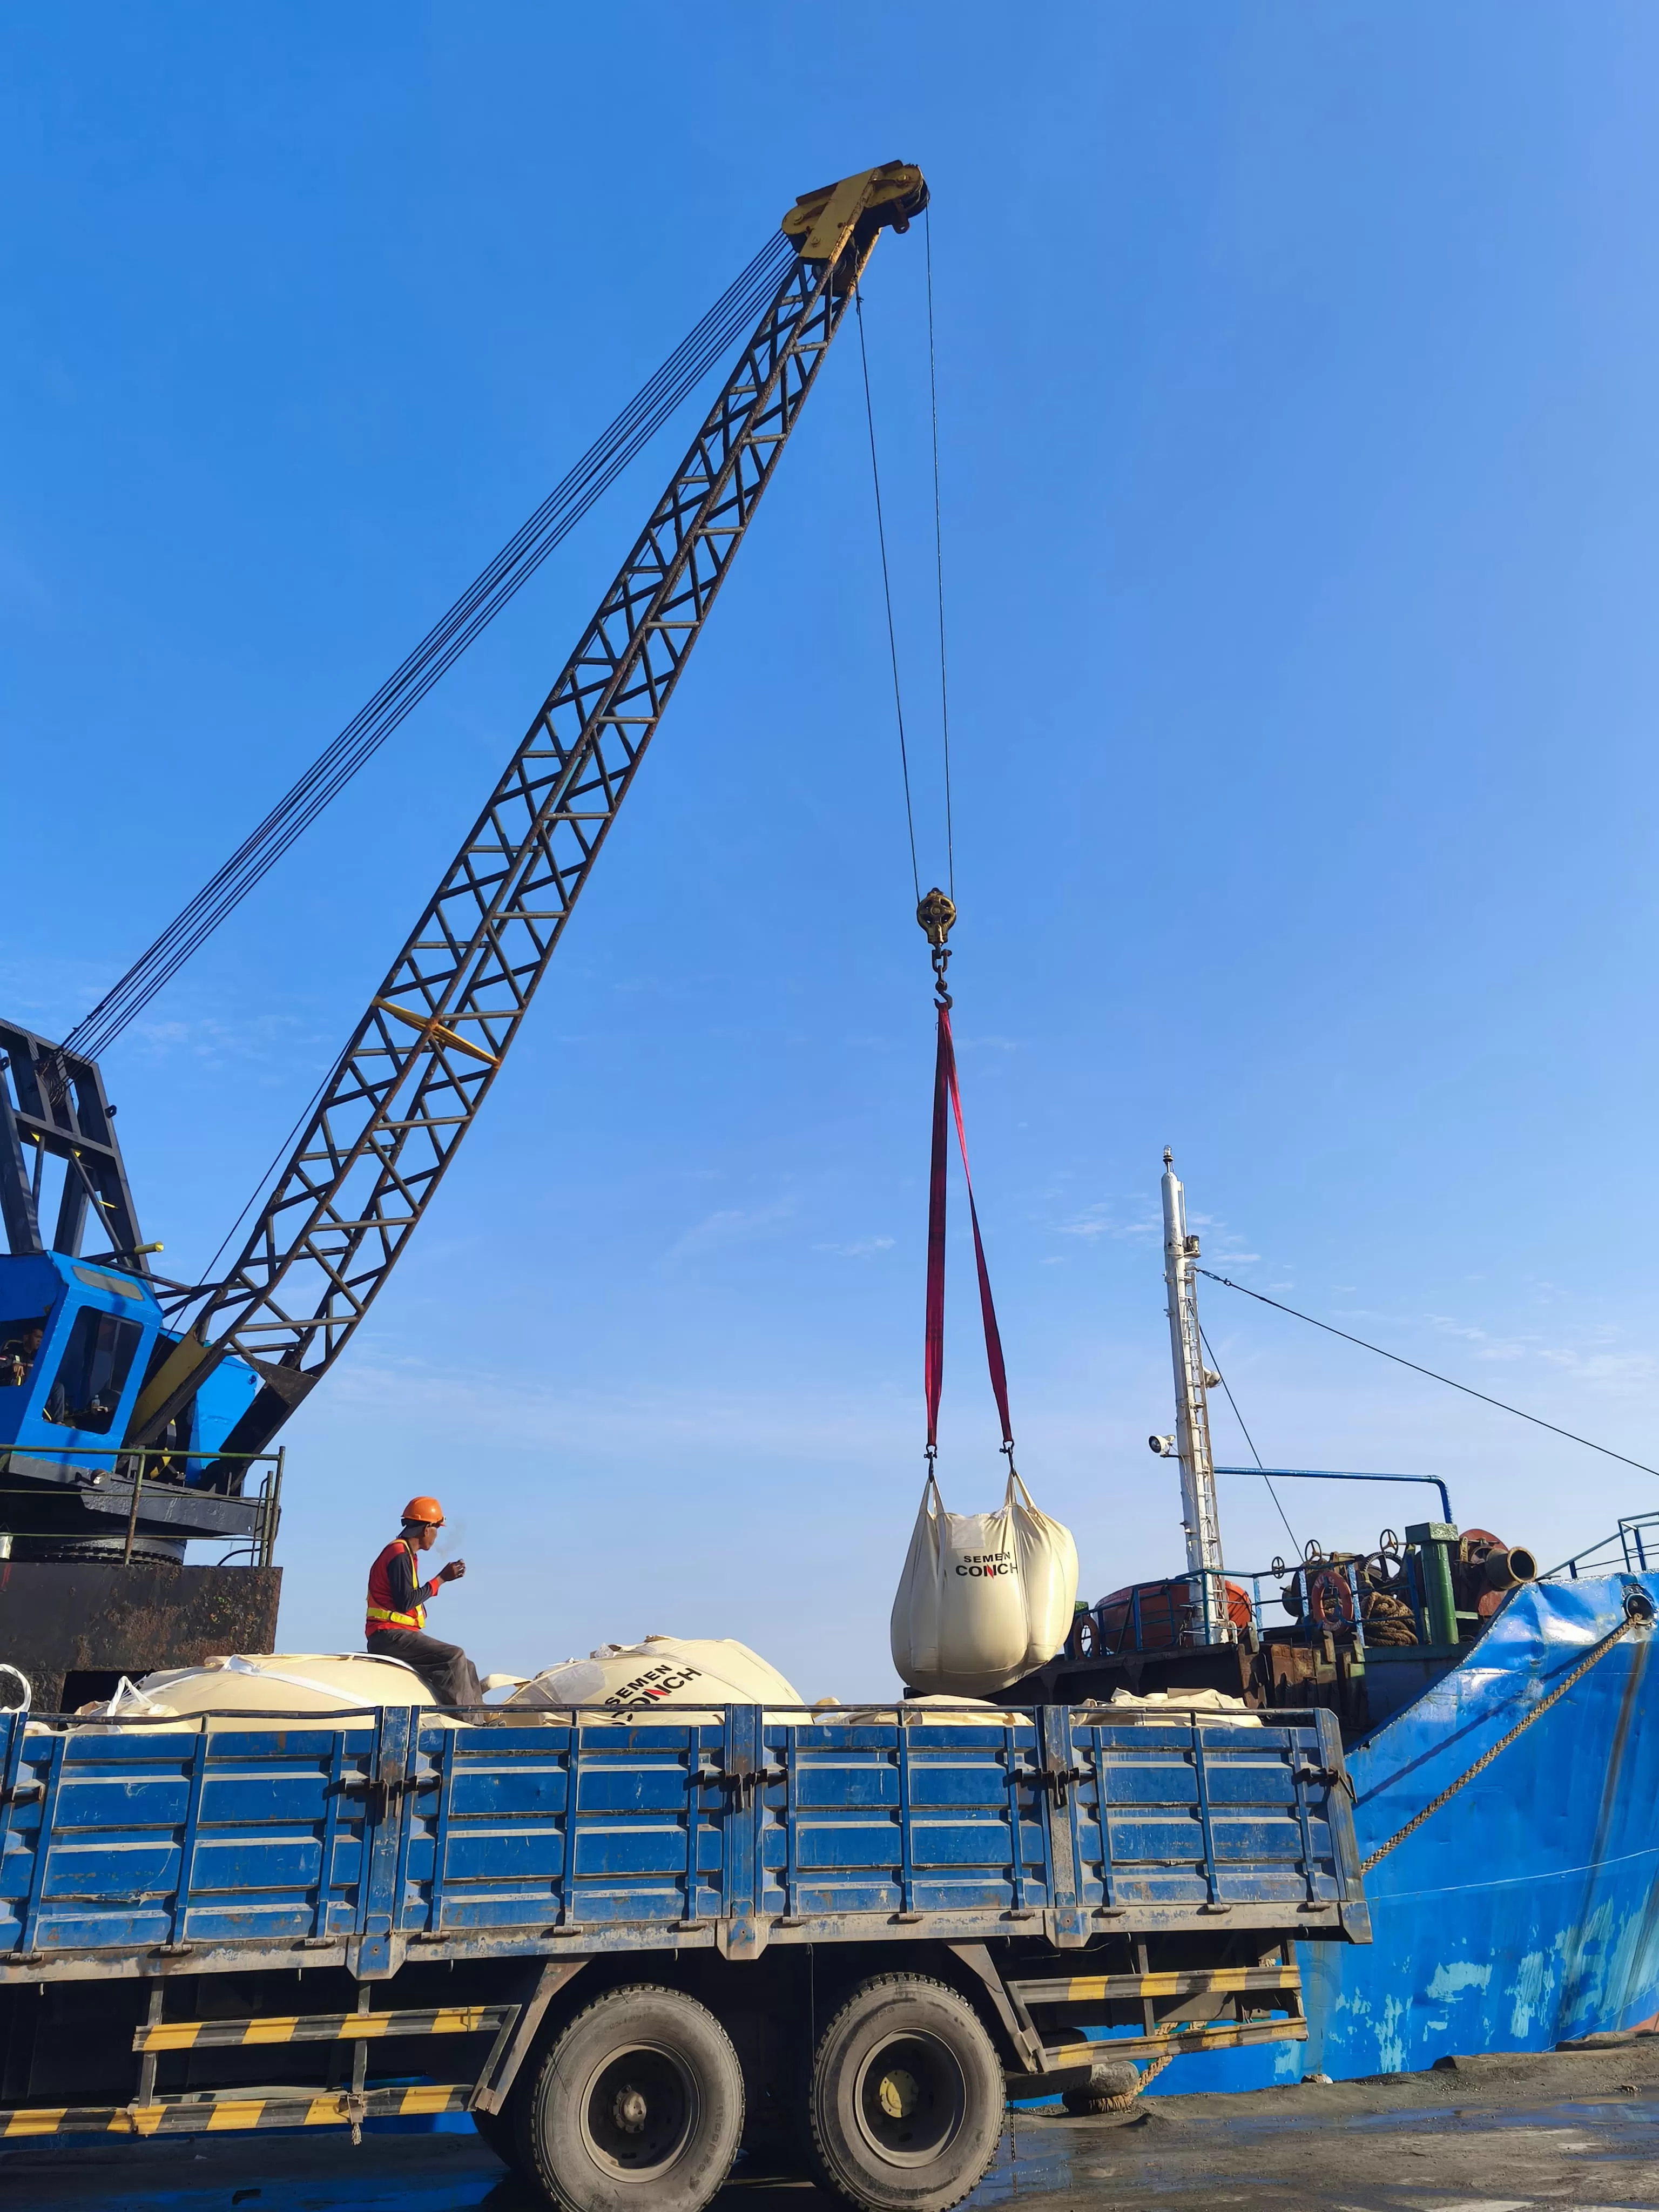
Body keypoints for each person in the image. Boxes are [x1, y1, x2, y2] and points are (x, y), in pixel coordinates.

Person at [364, 1495, 482, 1707]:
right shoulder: (399, 1554)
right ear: (426, 1529)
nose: (436, 1536)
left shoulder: (405, 1554)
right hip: (389, 1636)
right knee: (455, 1656)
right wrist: (441, 1579)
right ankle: (468, 1722)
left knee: (467, 1666)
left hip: (398, 1634)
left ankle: (481, 1719)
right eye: (437, 1529)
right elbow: (406, 1602)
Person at [0, 1320, 44, 1390]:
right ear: (26, 1337)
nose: (40, 1340)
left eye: (41, 1338)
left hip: (33, 1390)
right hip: (14, 1391)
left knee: (58, 1387)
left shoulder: (40, 1357)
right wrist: (12, 1367)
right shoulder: (13, 1352)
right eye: (37, 1337)